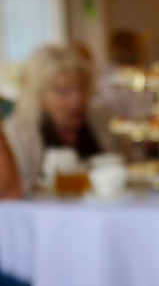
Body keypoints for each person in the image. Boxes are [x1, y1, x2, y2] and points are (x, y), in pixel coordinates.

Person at [2, 45, 114, 190]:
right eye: (63, 91)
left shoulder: (102, 120)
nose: (77, 99)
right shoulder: (17, 132)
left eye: (81, 87)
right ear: (40, 96)